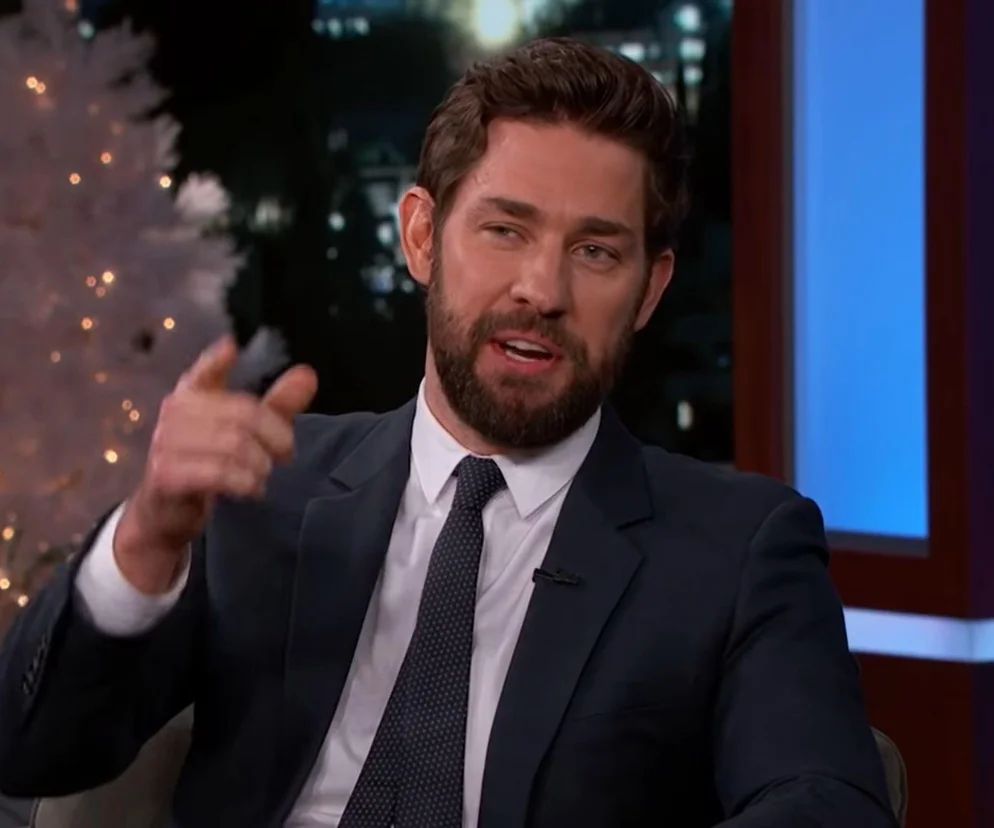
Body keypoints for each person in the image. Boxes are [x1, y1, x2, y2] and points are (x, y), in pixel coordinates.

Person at [0, 38, 895, 828]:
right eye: (505, 229)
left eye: (595, 251)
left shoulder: (737, 550)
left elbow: (831, 804)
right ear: (422, 237)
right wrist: (145, 540)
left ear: (649, 289)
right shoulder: (266, 485)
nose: (542, 290)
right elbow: (32, 750)